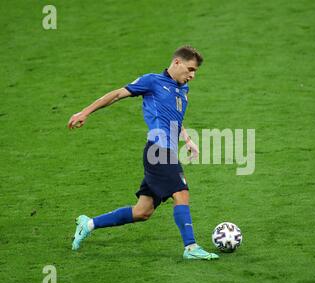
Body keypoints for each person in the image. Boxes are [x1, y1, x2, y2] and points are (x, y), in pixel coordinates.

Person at [67, 45, 219, 260]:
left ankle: (88, 224)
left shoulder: (183, 90)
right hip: (158, 151)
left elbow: (174, 118)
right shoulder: (152, 81)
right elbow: (117, 94)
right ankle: (191, 248)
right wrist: (85, 112)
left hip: (168, 152)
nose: (192, 76)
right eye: (190, 69)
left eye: (195, 72)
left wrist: (187, 138)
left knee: (142, 212)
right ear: (177, 63)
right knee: (181, 193)